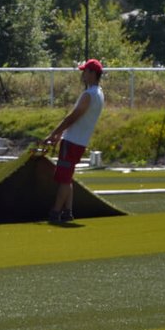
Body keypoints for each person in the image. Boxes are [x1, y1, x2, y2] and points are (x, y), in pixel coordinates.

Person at [41, 58, 105, 223]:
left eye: (85, 71)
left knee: (63, 178)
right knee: (67, 177)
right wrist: (59, 135)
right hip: (79, 141)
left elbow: (73, 117)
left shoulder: (88, 95)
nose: (83, 74)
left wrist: (54, 133)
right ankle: (67, 211)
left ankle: (55, 212)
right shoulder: (99, 93)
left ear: (92, 73)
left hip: (72, 142)